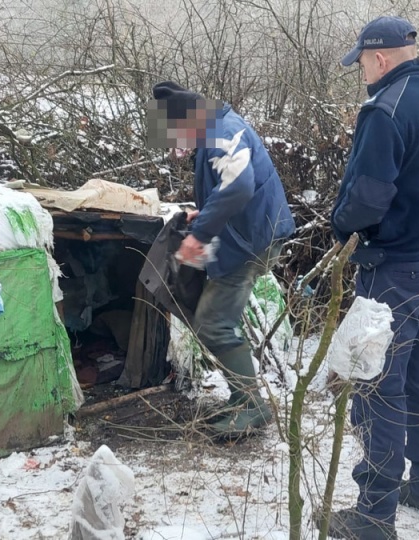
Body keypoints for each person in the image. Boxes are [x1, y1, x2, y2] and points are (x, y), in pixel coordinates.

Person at [323, 16, 419, 540]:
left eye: (361, 62)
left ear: (379, 57)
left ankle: (374, 514)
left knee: (378, 389)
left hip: (395, 272)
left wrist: (339, 225)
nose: (360, 71)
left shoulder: (384, 111)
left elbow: (366, 198)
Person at [149, 81, 295, 438]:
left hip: (251, 240)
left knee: (212, 322)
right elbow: (228, 185)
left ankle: (253, 406)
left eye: (174, 137)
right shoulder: (216, 126)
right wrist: (207, 213)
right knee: (219, 318)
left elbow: (240, 186)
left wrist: (198, 237)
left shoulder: (220, 132)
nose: (176, 149)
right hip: (250, 233)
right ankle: (244, 398)